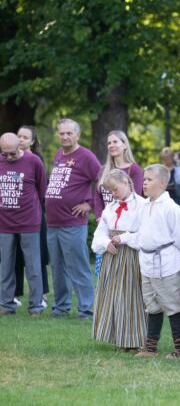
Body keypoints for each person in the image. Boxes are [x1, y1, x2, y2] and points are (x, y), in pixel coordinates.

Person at [115, 164, 180, 359]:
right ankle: (150, 348)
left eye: (149, 180)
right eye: (144, 179)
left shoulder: (171, 208)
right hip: (146, 262)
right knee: (152, 305)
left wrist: (165, 252)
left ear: (162, 183)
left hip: (166, 263)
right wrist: (123, 238)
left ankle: (179, 349)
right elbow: (140, 234)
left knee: (172, 304)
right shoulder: (144, 205)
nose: (144, 183)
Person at [45, 118, 101, 319]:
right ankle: (61, 307)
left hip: (73, 223)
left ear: (77, 134)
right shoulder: (58, 154)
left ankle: (86, 309)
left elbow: (103, 181)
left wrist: (91, 205)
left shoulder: (86, 156)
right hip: (53, 222)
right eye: (62, 133)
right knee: (58, 268)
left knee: (78, 267)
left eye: (69, 133)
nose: (65, 136)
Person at [91, 169, 147, 351]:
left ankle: (136, 339)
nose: (113, 194)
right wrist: (106, 242)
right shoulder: (110, 208)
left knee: (131, 296)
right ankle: (119, 337)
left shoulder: (142, 205)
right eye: (110, 192)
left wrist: (124, 238)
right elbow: (99, 233)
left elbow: (145, 233)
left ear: (126, 182)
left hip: (131, 257)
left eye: (115, 190)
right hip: (113, 258)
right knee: (114, 297)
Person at [0, 133, 46, 316]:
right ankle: (6, 304)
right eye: (5, 154)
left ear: (20, 145)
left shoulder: (34, 161)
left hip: (29, 222)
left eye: (12, 153)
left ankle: (35, 306)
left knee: (33, 266)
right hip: (4, 223)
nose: (9, 157)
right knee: (6, 266)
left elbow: (42, 190)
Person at [13, 126, 49, 308]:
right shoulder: (8, 160)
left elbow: (43, 190)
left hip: (34, 217)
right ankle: (14, 294)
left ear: (32, 141)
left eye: (25, 137)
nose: (21, 140)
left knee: (38, 257)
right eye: (19, 136)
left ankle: (41, 295)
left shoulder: (36, 161)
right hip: (12, 218)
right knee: (15, 256)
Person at [94, 130, 143, 220]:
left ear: (125, 145)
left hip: (125, 221)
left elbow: (135, 199)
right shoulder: (103, 170)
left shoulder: (134, 169)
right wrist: (99, 218)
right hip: (104, 221)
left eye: (115, 142)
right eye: (109, 143)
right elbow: (98, 197)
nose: (111, 145)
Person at [160, 147, 180, 212]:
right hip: (164, 199)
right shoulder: (160, 169)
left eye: (168, 157)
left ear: (172, 157)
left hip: (178, 199)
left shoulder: (179, 168)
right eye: (165, 158)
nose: (167, 160)